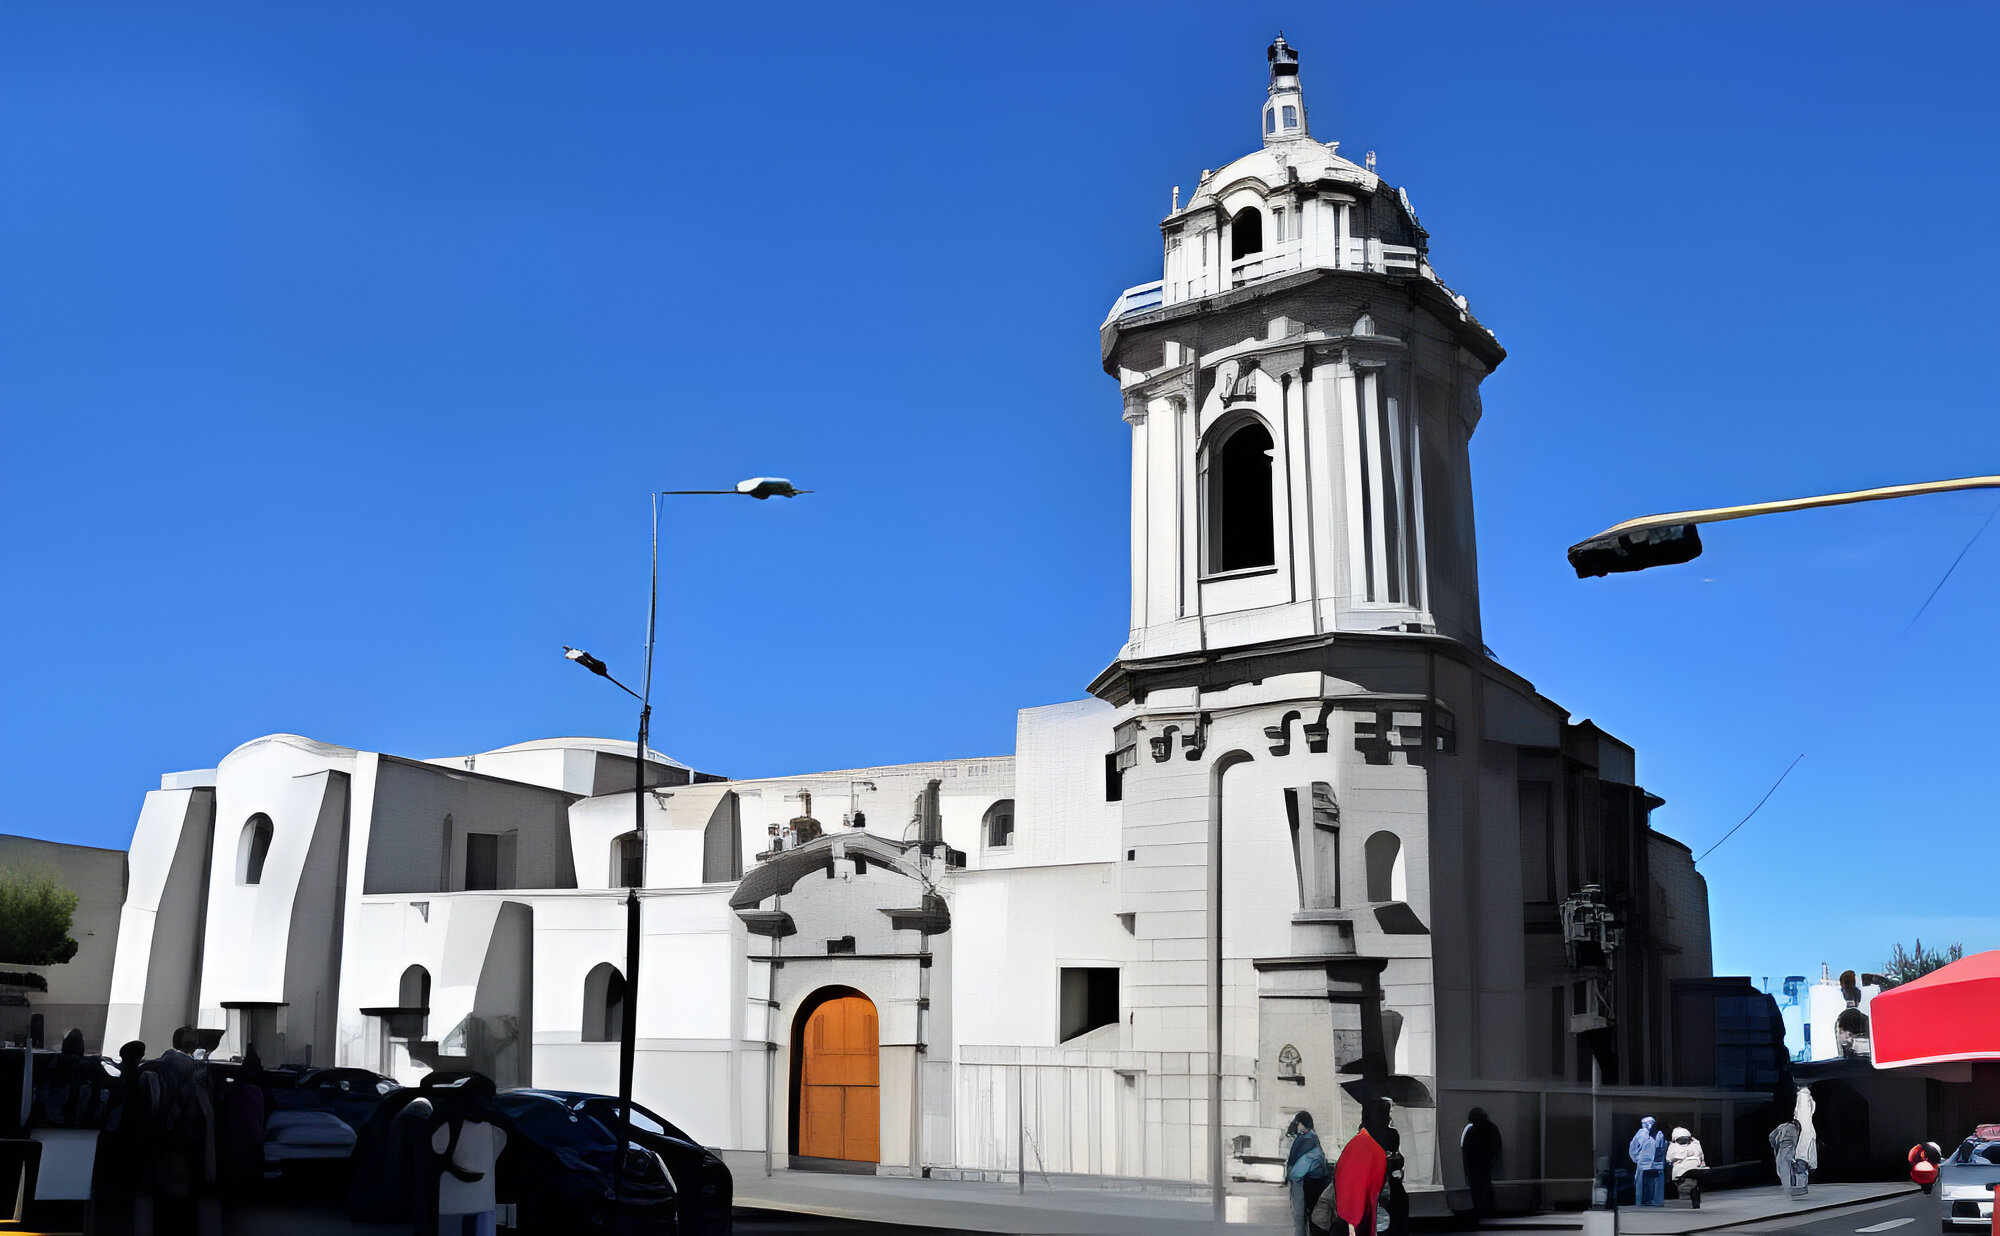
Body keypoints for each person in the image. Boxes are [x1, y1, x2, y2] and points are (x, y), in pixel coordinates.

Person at [141, 1027, 220, 1236]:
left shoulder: (160, 1065)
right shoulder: (192, 1069)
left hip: (165, 1144)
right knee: (185, 1208)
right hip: (184, 1142)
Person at [428, 1075, 507, 1236]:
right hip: (478, 1202)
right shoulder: (496, 1130)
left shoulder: (445, 1126)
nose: (486, 1104)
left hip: (454, 1203)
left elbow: (435, 1156)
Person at [87, 1040, 149, 1236]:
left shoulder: (111, 1074)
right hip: (127, 1136)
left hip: (109, 1134)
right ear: (139, 1057)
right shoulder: (139, 1078)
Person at [1284, 1111, 1334, 1236]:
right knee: (1306, 1216)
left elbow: (1297, 1171)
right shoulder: (1307, 1138)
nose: (1297, 1126)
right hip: (1310, 1183)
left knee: (1304, 1216)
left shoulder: (1308, 1140)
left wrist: (1291, 1174)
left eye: (1298, 1123)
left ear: (1303, 1123)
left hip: (1308, 1184)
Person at [1461, 1107, 1501, 1222]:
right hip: (1485, 1166)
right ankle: (1487, 1211)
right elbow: (1497, 1147)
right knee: (1485, 1189)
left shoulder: (1472, 1131)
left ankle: (1480, 1211)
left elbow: (1466, 1151)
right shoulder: (1491, 1128)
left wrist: (1466, 1169)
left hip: (1474, 1167)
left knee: (1477, 1191)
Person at [1629, 1116, 1666, 1207]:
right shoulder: (1640, 1134)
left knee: (1655, 1183)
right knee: (1641, 1183)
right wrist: (1637, 1159)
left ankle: (1656, 1201)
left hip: (1656, 1164)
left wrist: (1661, 1159)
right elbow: (1633, 1148)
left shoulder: (1660, 1135)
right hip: (1643, 1163)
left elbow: (1664, 1148)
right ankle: (1641, 1201)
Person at [1665, 1127, 1706, 1207]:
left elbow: (1669, 1158)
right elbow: (1669, 1158)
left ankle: (1693, 1194)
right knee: (1691, 1185)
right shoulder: (1675, 1146)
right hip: (1688, 1169)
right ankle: (1693, 1194)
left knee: (1690, 1184)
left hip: (1689, 1168)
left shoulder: (1694, 1144)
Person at [1770, 1116, 1804, 1198]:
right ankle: (1790, 1188)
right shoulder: (1793, 1129)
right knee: (1788, 1169)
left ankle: (1788, 1189)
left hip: (1784, 1150)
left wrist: (1775, 1145)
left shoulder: (1783, 1126)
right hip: (1789, 1151)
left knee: (1783, 1169)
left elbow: (1772, 1136)